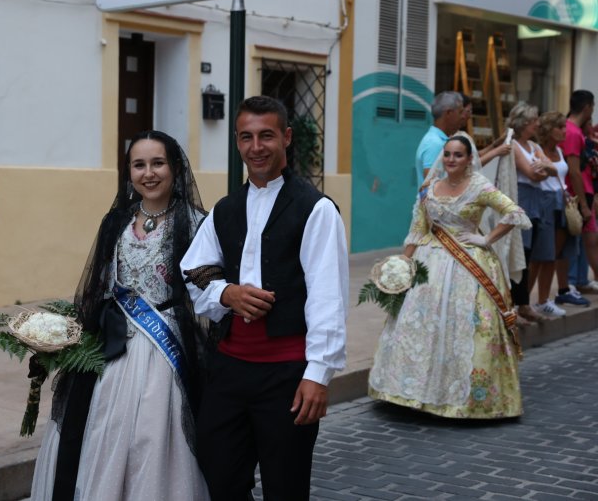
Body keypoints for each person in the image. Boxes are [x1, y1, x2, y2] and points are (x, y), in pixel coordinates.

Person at [180, 96, 348, 501]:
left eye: (266, 136)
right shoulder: (225, 209)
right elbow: (193, 272)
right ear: (237, 143)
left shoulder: (316, 208)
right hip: (230, 370)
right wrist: (227, 292)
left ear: (286, 138)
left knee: (285, 487)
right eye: (247, 137)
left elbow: (329, 296)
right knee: (220, 475)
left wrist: (318, 375)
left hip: (287, 375)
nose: (256, 147)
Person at [29, 131, 210, 500]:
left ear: (175, 168)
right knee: (103, 429)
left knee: (153, 435)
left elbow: (206, 294)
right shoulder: (116, 222)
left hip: (166, 348)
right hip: (113, 345)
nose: (149, 173)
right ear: (129, 172)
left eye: (158, 163)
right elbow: (96, 288)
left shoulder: (195, 223)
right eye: (138, 164)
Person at [370, 136, 530, 418]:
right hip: (428, 264)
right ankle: (413, 392)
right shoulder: (428, 189)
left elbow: (515, 213)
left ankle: (465, 399)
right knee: (420, 325)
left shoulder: (480, 186)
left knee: (463, 327)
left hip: (468, 265)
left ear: (470, 159)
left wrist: (486, 239)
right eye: (447, 154)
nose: (451, 160)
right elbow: (418, 230)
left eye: (458, 155)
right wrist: (403, 264)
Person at [509, 102, 558, 322]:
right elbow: (531, 172)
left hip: (536, 201)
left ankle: (523, 303)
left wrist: (543, 169)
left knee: (530, 254)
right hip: (524, 200)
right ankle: (518, 303)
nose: (537, 124)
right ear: (524, 123)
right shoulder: (514, 145)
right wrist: (543, 169)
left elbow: (552, 168)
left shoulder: (532, 145)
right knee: (522, 254)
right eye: (533, 120)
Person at [536, 111, 589, 309]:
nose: (564, 131)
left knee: (560, 251)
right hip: (546, 203)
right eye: (559, 127)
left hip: (561, 201)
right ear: (549, 130)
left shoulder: (558, 151)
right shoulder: (538, 150)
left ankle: (556, 293)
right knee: (546, 254)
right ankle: (541, 299)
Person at [563, 90, 598, 294]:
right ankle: (569, 283)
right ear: (586, 108)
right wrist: (583, 203)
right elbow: (574, 171)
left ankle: (577, 280)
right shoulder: (572, 132)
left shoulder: (575, 131)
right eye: (592, 107)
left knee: (585, 240)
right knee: (577, 241)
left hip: (584, 192)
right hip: (576, 194)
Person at [416, 91, 464, 187]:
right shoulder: (435, 143)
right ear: (449, 113)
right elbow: (431, 186)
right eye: (460, 112)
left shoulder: (438, 140)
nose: (462, 117)